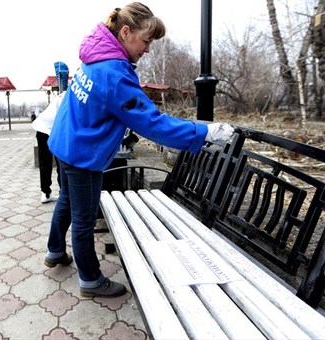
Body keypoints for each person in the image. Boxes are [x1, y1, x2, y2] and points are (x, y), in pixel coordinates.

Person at [44, 2, 235, 298]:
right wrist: (205, 131)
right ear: (125, 32)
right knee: (83, 221)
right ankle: (91, 280)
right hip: (83, 154)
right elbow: (153, 124)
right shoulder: (116, 73)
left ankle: (55, 251)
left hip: (64, 142)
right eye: (146, 41)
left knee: (67, 201)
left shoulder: (95, 54)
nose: (148, 49)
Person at [31, 61, 69, 204]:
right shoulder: (68, 97)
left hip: (41, 127)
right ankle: (63, 193)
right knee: (60, 162)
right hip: (47, 129)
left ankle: (46, 194)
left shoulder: (62, 96)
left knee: (46, 163)